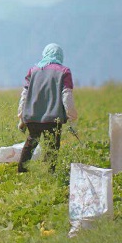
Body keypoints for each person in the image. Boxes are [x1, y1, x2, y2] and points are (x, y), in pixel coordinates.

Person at [16, 43, 77, 173]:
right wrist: (72, 117)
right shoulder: (64, 72)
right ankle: (48, 175)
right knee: (52, 147)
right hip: (53, 119)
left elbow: (24, 95)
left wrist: (21, 117)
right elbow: (67, 95)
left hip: (32, 116)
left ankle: (21, 173)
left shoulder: (33, 71)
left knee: (30, 144)